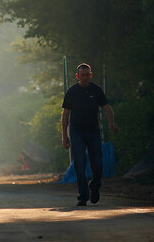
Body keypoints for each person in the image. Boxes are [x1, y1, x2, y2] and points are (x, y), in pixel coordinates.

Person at [61, 63, 118, 206]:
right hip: (77, 132)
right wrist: (64, 135)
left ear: (91, 75)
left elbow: (106, 107)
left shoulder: (96, 90)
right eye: (83, 75)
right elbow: (65, 114)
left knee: (97, 165)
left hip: (93, 131)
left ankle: (95, 186)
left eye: (87, 75)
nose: (85, 77)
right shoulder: (72, 91)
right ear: (77, 76)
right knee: (79, 164)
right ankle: (83, 196)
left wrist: (111, 122)